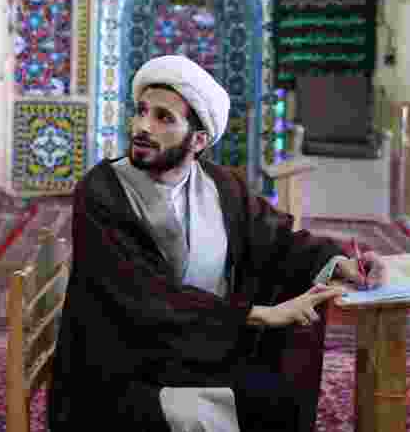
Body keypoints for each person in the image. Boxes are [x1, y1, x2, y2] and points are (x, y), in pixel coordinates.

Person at [47, 55, 386, 432]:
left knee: (276, 381)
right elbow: (142, 298)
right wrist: (259, 314)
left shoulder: (221, 185)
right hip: (124, 368)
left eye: (163, 118)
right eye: (141, 111)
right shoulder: (101, 192)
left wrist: (339, 261)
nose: (143, 126)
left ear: (199, 140)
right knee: (231, 404)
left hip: (198, 344)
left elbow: (277, 239)